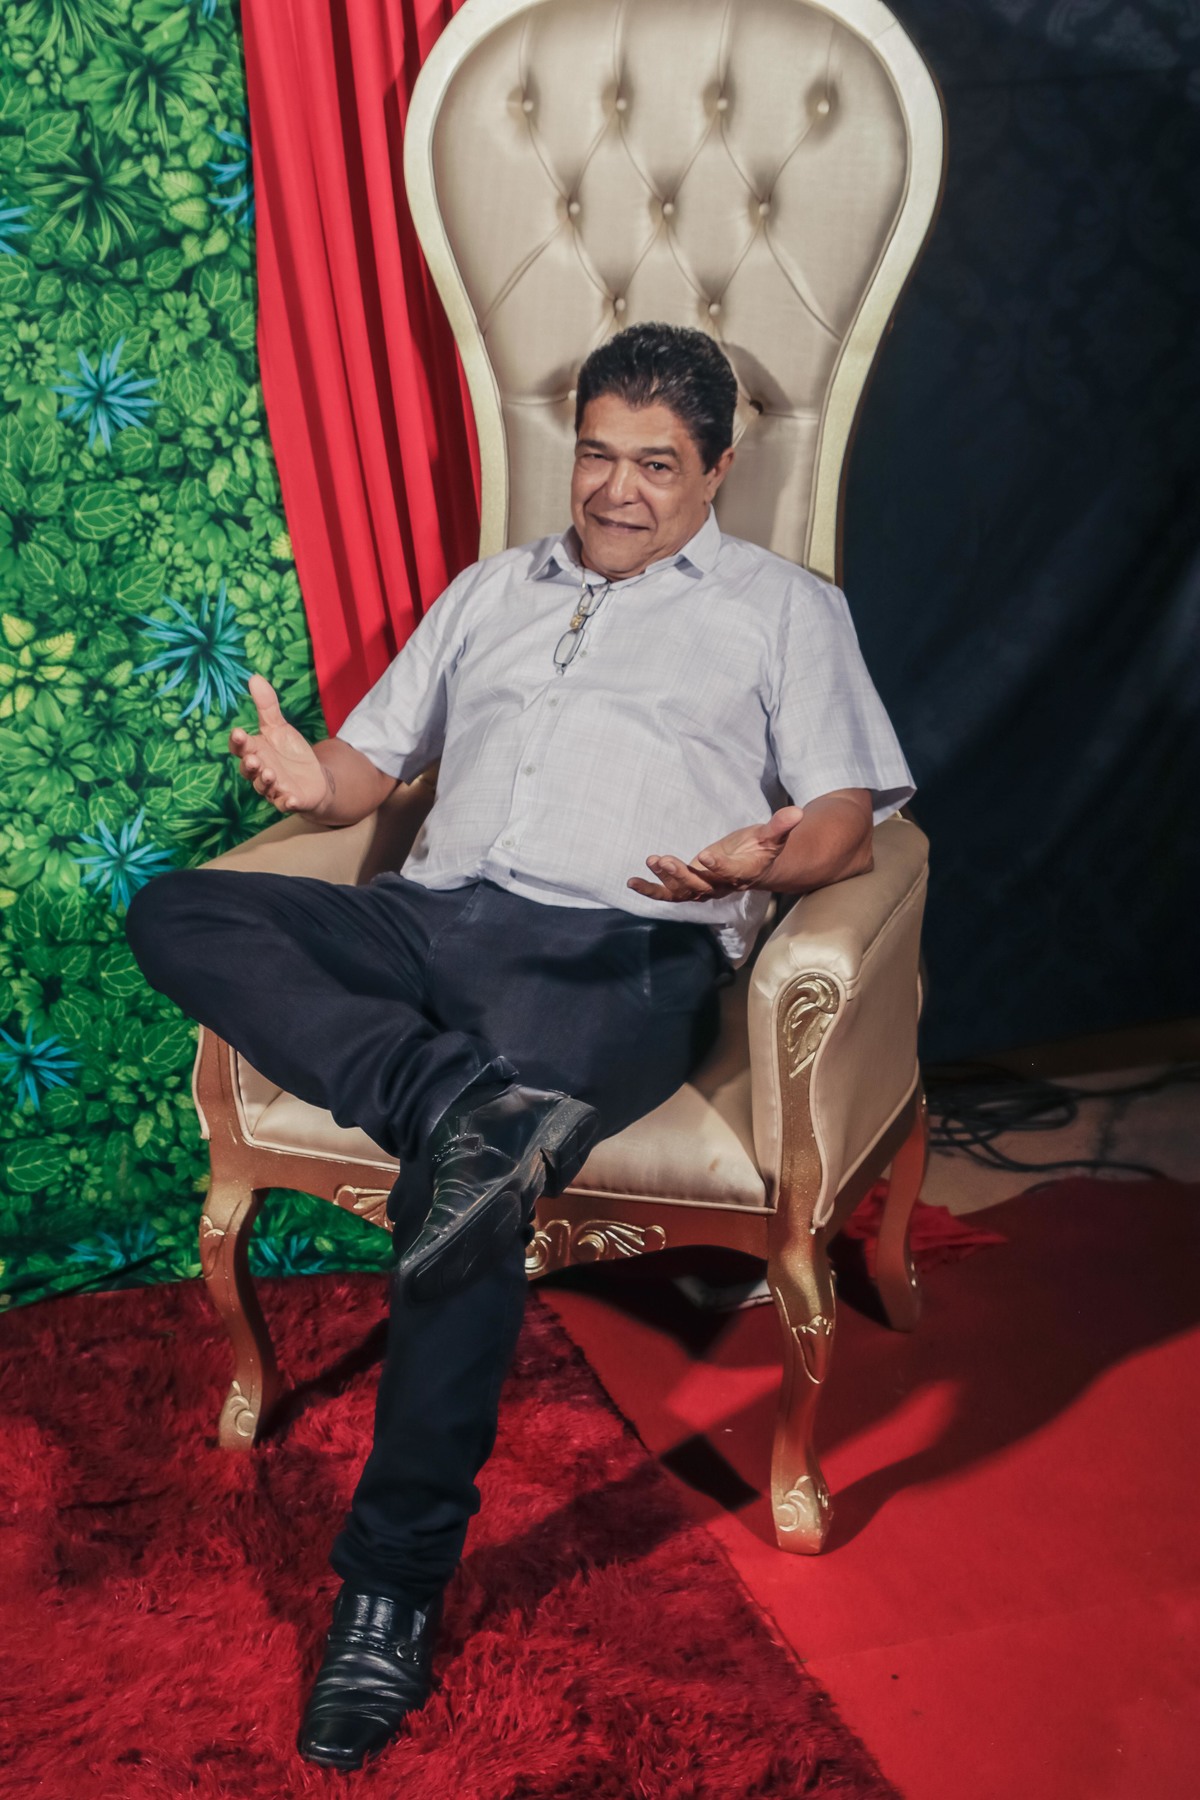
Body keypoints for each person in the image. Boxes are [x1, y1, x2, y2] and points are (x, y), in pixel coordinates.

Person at [125, 322, 913, 1771]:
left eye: (656, 465)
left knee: (468, 1187)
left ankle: (389, 1587)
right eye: (598, 454)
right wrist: (309, 781)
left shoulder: (784, 610)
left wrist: (773, 856)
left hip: (615, 951)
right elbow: (369, 769)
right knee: (181, 911)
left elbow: (850, 818)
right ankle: (454, 1094)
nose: (616, 488)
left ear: (718, 470)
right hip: (427, 920)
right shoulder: (493, 589)